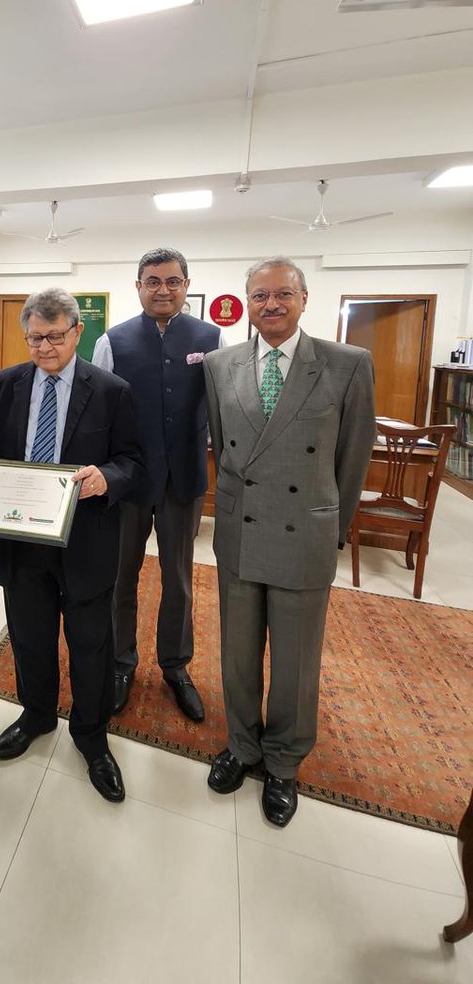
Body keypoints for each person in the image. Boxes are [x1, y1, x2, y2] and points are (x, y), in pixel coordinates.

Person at [203, 256, 376, 827]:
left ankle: (282, 760)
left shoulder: (347, 364)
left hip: (306, 530)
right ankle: (242, 745)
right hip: (241, 530)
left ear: (305, 299)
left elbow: (352, 459)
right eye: (259, 296)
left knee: (297, 662)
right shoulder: (219, 364)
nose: (270, 305)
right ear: (245, 303)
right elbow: (224, 446)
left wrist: (333, 523)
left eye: (283, 294)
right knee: (237, 650)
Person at [0, 288, 142, 803]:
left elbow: (134, 461)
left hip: (85, 540)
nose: (44, 347)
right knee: (29, 635)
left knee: (91, 643)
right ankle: (37, 715)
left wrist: (105, 478)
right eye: (34, 338)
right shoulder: (3, 385)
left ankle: (91, 737)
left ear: (77, 332)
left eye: (54, 337)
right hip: (23, 539)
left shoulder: (111, 390)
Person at [92, 248, 222, 721]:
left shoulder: (211, 338)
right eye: (152, 281)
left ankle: (176, 666)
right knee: (120, 578)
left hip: (184, 479)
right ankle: (121, 663)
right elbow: (99, 413)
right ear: (139, 286)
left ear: (186, 285)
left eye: (172, 281)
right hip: (127, 482)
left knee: (179, 581)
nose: (162, 289)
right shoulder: (113, 340)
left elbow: (218, 408)